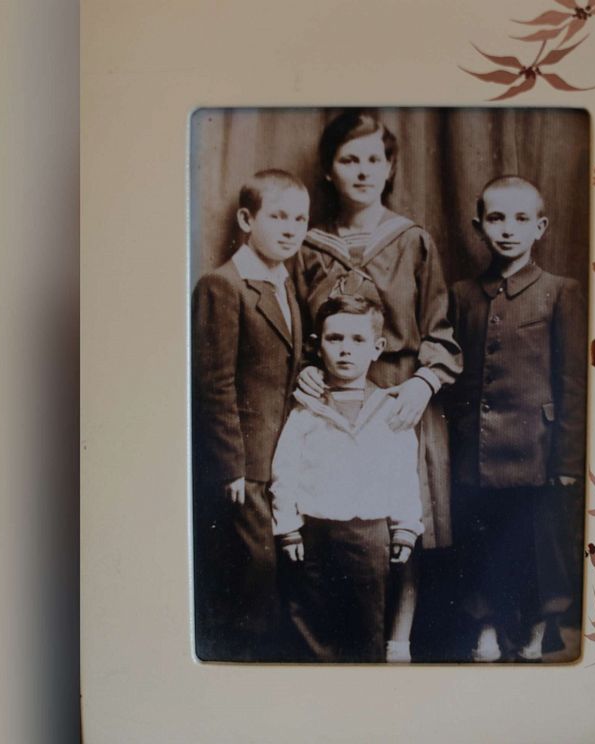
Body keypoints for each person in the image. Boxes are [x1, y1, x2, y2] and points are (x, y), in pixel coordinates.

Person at [290, 110, 462, 662]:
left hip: (401, 397)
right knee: (339, 515)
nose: (362, 171)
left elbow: (440, 329)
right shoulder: (309, 245)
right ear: (328, 171)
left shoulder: (412, 240)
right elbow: (298, 327)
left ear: (390, 167)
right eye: (349, 159)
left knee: (398, 516)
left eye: (374, 159)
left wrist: (426, 382)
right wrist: (308, 369)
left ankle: (399, 640)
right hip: (333, 397)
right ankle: (341, 641)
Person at [446, 175, 587, 662]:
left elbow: (572, 380)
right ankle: (485, 631)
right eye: (497, 218)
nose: (508, 229)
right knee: (481, 544)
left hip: (536, 448)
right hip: (476, 450)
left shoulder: (559, 291)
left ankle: (533, 635)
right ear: (478, 226)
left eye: (521, 218)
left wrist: (567, 457)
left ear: (541, 227)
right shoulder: (462, 294)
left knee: (537, 547)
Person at [191, 169, 309, 661]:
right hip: (248, 466)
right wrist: (232, 466)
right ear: (246, 219)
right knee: (253, 578)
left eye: (300, 219)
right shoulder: (223, 285)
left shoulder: (284, 281)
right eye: (277, 216)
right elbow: (214, 383)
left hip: (283, 457)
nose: (290, 229)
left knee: (281, 580)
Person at [271, 295, 423, 662]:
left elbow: (404, 474)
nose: (345, 350)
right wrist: (288, 527)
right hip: (315, 535)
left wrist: (405, 527)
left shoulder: (389, 408)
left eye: (357, 340)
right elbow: (285, 469)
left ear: (377, 348)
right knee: (312, 626)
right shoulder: (307, 408)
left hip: (370, 536)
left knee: (365, 627)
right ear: (317, 344)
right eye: (334, 338)